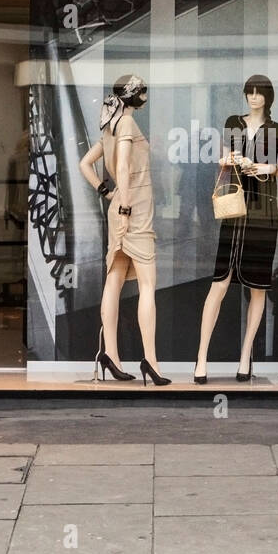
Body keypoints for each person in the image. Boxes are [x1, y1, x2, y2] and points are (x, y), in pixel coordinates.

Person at [193, 75, 278, 383]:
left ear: (268, 97)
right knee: (220, 282)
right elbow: (221, 161)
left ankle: (245, 357)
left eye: (259, 93)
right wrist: (233, 160)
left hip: (264, 211)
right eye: (249, 93)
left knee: (258, 287)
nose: (254, 98)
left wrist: (270, 168)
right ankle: (201, 358)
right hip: (236, 208)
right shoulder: (233, 123)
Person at [78, 74, 170, 386]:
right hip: (136, 209)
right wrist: (127, 203)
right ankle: (151, 362)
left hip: (121, 206)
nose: (146, 93)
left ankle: (111, 356)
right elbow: (125, 166)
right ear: (134, 95)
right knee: (147, 285)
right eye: (143, 89)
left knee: (115, 280)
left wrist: (108, 193)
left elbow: (85, 164)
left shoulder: (110, 126)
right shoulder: (127, 124)